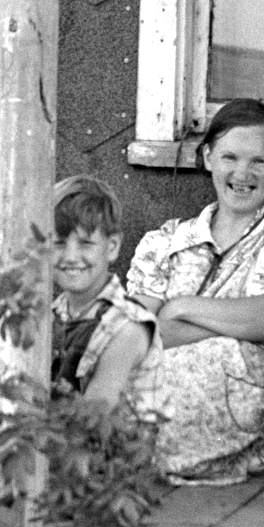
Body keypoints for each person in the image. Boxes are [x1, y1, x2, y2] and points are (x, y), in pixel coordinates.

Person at [126, 99, 264, 486]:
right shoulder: (168, 241)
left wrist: (181, 306)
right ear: (208, 157)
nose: (243, 173)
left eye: (259, 161)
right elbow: (134, 336)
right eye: (230, 157)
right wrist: (242, 322)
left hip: (237, 407)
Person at [51, 175, 163, 419]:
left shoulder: (128, 326)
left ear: (112, 247)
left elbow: (90, 420)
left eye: (85, 243)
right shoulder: (52, 314)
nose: (71, 256)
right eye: (59, 243)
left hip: (106, 441)